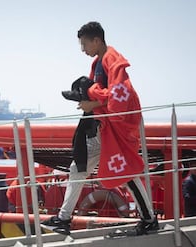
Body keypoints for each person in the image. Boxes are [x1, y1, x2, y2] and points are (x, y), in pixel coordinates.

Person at [42, 21, 158, 235]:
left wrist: (91, 102)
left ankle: (148, 218)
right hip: (104, 127)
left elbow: (119, 95)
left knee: (119, 170)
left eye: (84, 44)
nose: (83, 49)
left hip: (110, 128)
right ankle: (64, 218)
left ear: (96, 40)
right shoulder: (99, 62)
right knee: (84, 167)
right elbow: (109, 94)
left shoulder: (111, 60)